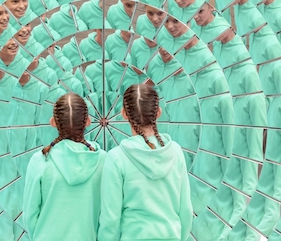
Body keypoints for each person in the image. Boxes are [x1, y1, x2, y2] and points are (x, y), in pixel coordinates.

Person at [98, 84, 193, 241]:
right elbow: (186, 210)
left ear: (124, 114)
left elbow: (110, 219)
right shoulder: (175, 151)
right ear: (158, 112)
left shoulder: (116, 158)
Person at [23, 93, 106, 241]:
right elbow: (108, 213)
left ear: (53, 122)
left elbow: (30, 215)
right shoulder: (103, 160)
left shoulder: (40, 160)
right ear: (87, 121)